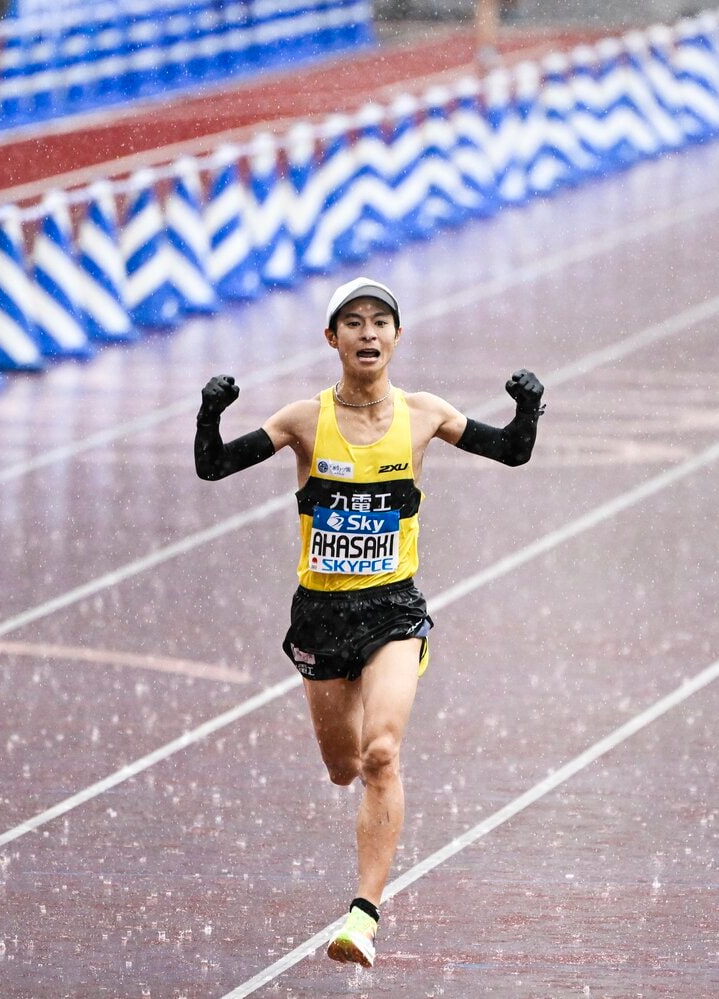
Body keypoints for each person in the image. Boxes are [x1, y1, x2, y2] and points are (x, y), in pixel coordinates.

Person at [194, 276, 545, 968]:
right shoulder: (302, 420)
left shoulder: (424, 415)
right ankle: (359, 846)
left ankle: (363, 915)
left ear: (397, 337)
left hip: (392, 608)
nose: (368, 332)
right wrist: (210, 412)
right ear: (333, 339)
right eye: (352, 322)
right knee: (342, 766)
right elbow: (212, 467)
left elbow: (511, 450)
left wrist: (528, 408)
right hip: (321, 616)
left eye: (380, 321)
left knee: (382, 753)